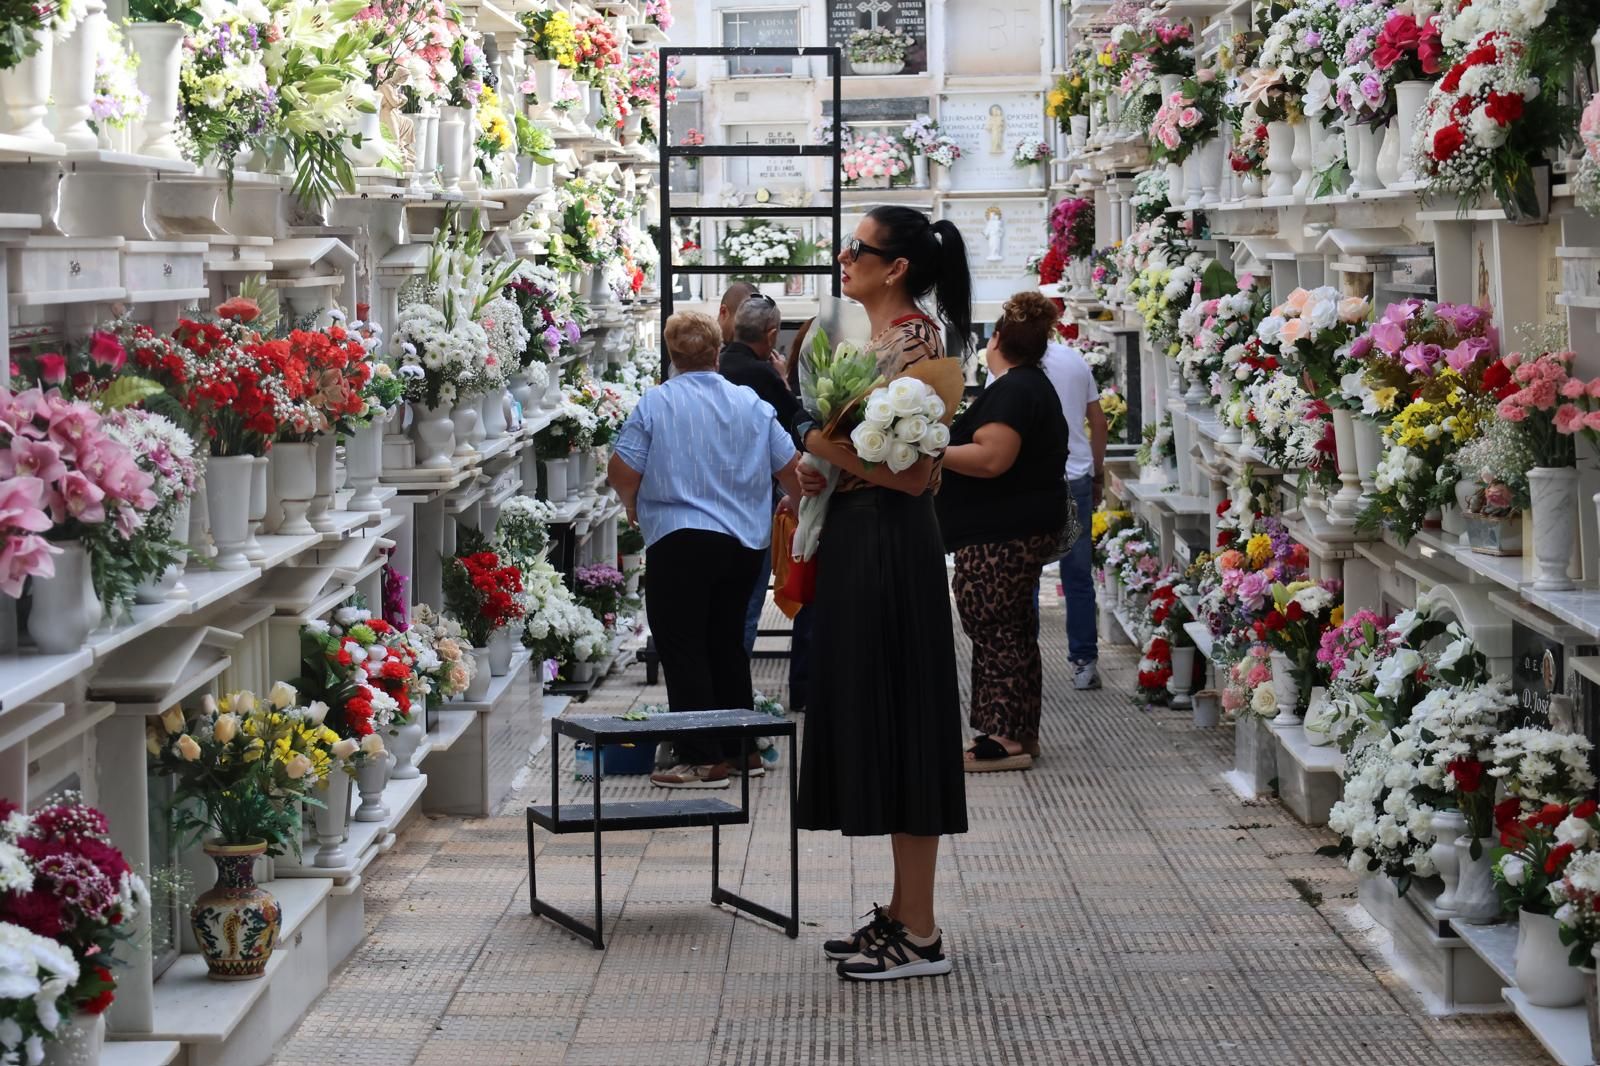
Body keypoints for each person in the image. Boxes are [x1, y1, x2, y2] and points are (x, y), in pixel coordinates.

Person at [792, 205, 972, 982]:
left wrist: (817, 444)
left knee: (907, 720)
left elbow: (912, 473)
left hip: (892, 552)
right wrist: (824, 467)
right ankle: (903, 914)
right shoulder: (878, 346)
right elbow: (868, 457)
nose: (843, 258)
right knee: (887, 716)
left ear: (894, 267)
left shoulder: (920, 352)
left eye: (856, 249)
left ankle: (922, 931)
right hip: (864, 545)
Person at [608, 311, 802, 789]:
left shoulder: (656, 404)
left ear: (673, 356)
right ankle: (741, 750)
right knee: (726, 642)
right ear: (718, 351)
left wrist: (634, 505)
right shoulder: (750, 404)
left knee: (683, 645)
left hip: (680, 538)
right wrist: (795, 511)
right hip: (742, 543)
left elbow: (621, 470)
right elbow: (791, 468)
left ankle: (699, 758)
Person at [937, 292, 1071, 772]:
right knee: (1011, 630)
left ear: (996, 340)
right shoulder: (1028, 385)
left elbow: (992, 458)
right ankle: (1018, 731)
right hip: (1009, 529)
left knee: (995, 629)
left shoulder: (1014, 390)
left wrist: (931, 448)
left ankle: (1002, 737)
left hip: (999, 535)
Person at [720, 293, 801, 657]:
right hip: (752, 500)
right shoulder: (763, 376)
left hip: (707, 500)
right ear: (771, 335)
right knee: (747, 602)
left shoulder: (716, 367)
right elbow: (795, 433)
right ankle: (735, 696)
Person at [1039, 329, 1109, 690]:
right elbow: (1098, 421)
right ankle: (1084, 662)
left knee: (1025, 572)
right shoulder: (1073, 359)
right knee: (1078, 574)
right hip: (1075, 474)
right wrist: (1098, 473)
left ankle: (1025, 658)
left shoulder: (1007, 360)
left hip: (1029, 478)